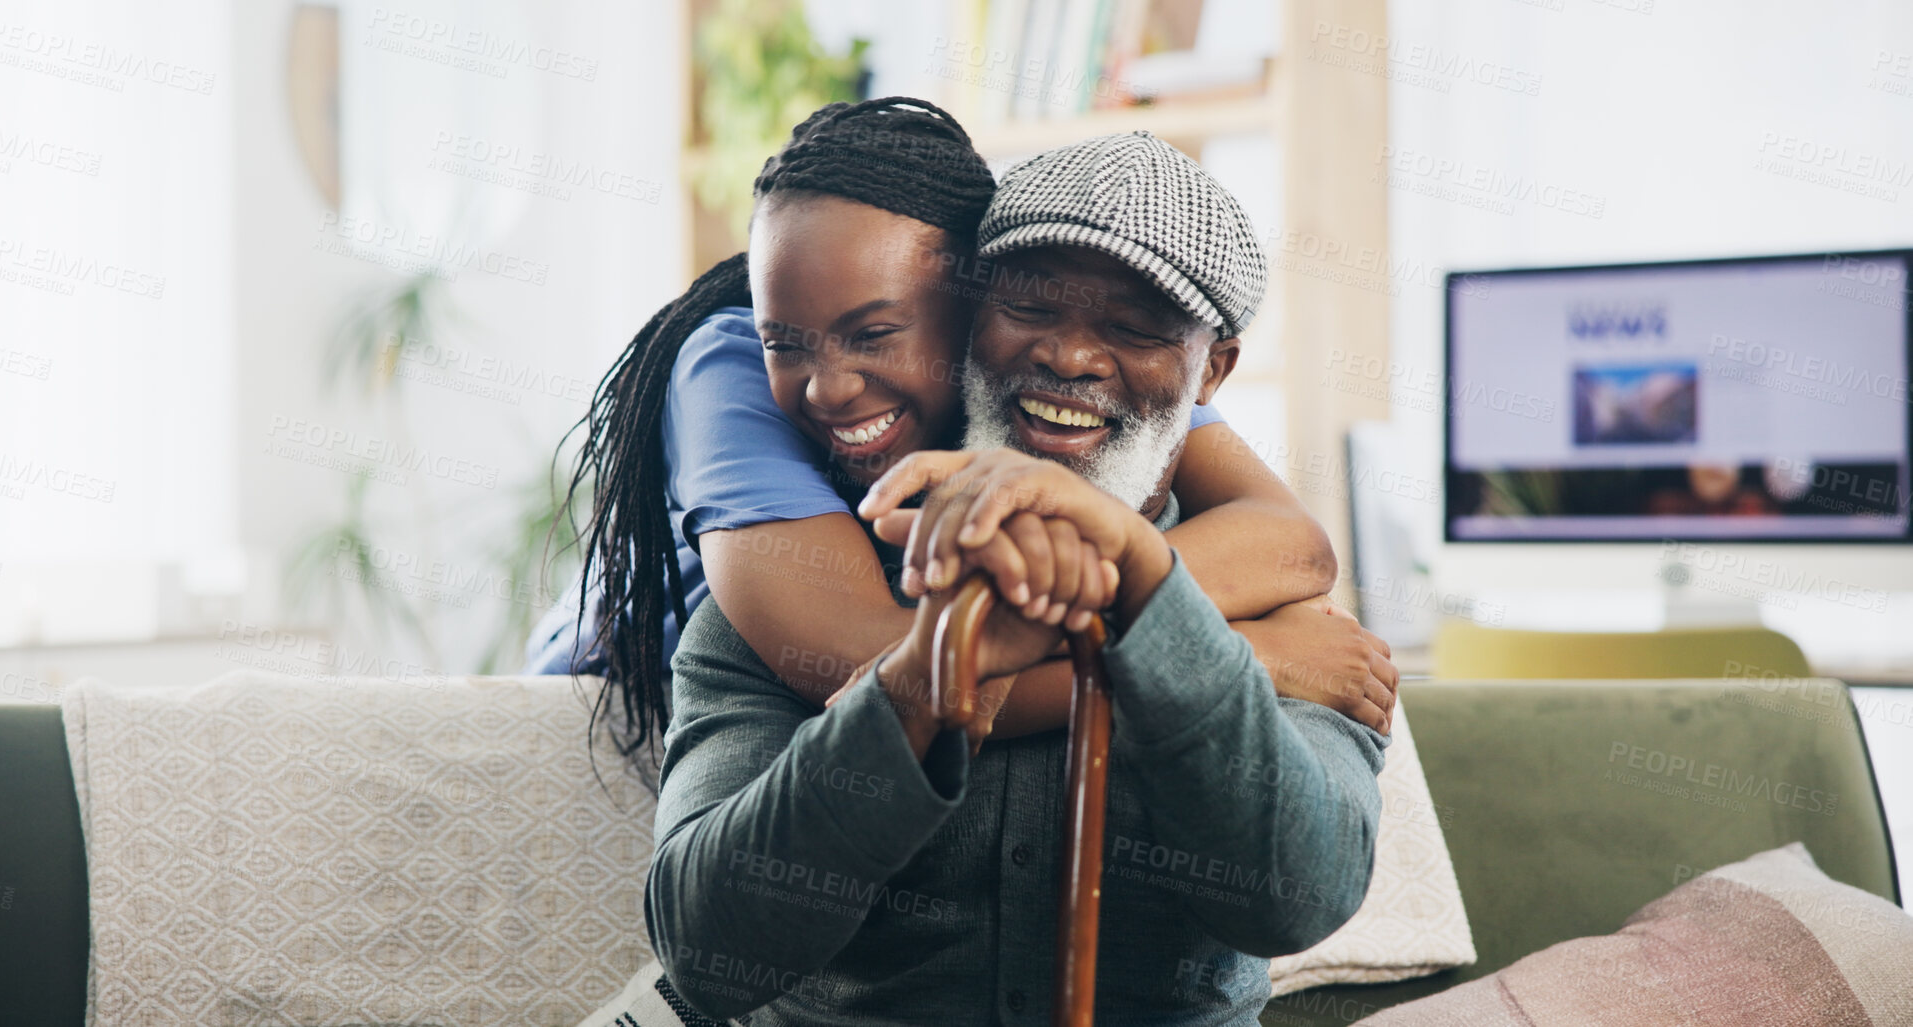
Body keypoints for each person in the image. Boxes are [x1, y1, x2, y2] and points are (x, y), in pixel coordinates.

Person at [646, 131, 1387, 1025]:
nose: (1069, 358)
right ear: (967, 323)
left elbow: (1296, 896)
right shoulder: (789, 591)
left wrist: (1145, 595)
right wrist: (928, 679)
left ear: (1211, 372)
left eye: (1133, 328)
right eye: (1030, 309)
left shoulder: (1282, 607)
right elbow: (706, 952)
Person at [527, 98, 1395, 776]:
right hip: (615, 683)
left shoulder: (1061, 362)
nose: (828, 382)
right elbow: (868, 672)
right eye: (790, 341)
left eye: (876, 334)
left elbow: (1288, 544)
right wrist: (1235, 662)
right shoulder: (730, 362)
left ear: (972, 300)